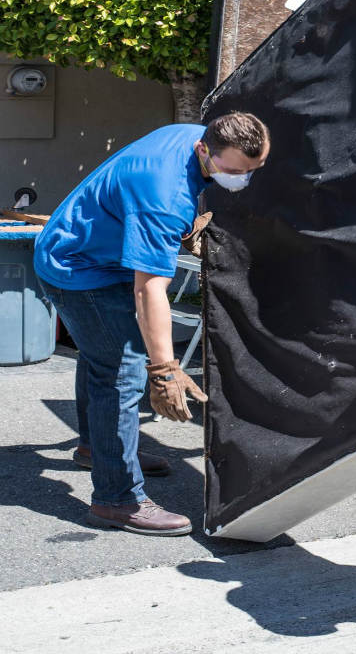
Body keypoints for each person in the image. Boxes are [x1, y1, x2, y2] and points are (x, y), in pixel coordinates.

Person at [34, 111, 269, 536]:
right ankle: (117, 499)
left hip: (88, 244)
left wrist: (184, 227)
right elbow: (149, 291)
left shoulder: (191, 136)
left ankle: (97, 449)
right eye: (234, 172)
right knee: (121, 371)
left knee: (102, 356)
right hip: (78, 267)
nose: (243, 180)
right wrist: (164, 368)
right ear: (204, 149)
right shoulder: (164, 197)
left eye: (254, 169)